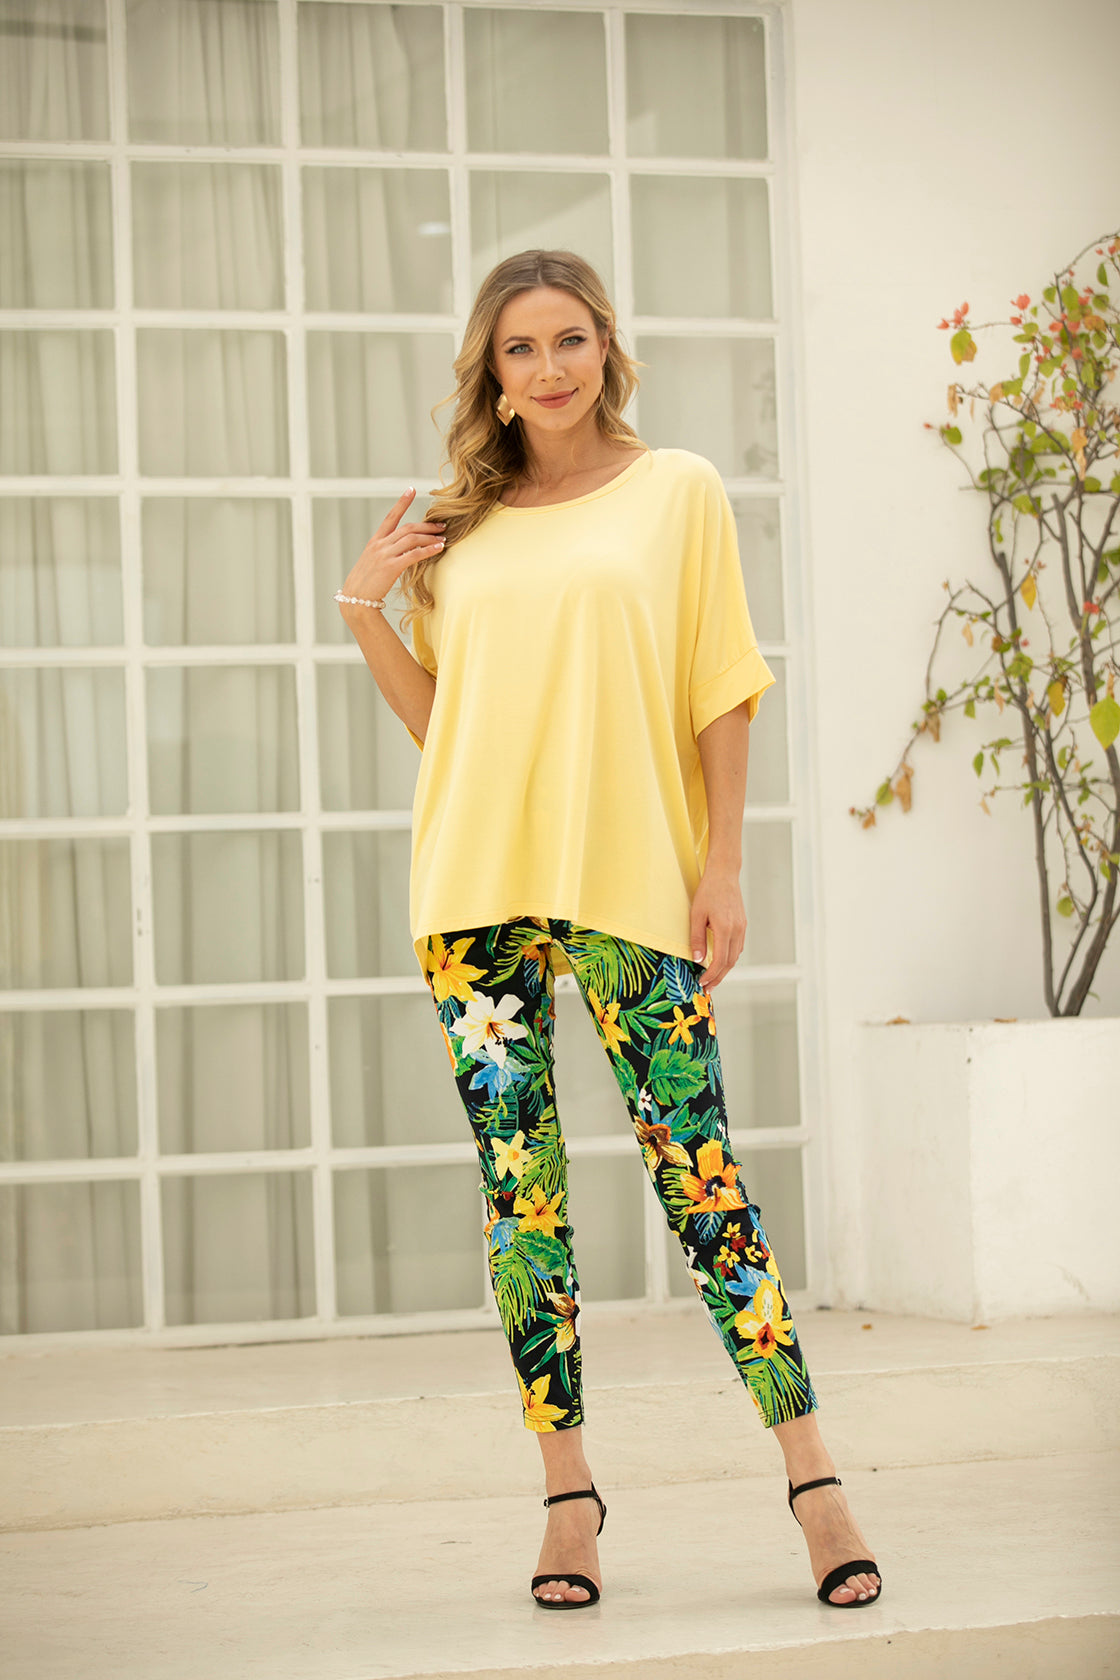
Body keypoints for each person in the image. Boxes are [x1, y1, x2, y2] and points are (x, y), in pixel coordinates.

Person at [337, 249, 881, 1612]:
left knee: (704, 1183)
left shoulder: (675, 490)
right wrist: (363, 604)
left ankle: (816, 1484)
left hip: (633, 878)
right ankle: (566, 1500)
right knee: (521, 1199)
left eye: (569, 339)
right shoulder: (457, 527)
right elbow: (448, 728)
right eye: (520, 348)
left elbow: (720, 687)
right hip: (475, 895)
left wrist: (723, 865)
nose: (549, 368)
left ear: (606, 348)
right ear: (491, 372)